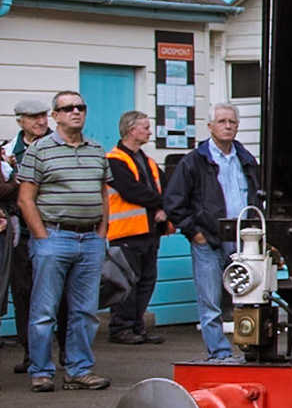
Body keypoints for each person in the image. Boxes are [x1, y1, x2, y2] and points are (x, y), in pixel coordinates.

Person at [16, 91, 111, 390]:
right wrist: (42, 238)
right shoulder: (40, 151)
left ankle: (79, 369)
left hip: (90, 238)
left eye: (80, 107)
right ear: (55, 116)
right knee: (44, 310)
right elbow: (25, 200)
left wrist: (101, 233)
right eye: (67, 108)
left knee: (85, 311)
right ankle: (41, 371)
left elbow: (102, 195)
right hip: (55, 236)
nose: (76, 112)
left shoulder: (97, 149)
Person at [164, 103, 258, 364]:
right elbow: (173, 202)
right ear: (210, 127)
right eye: (222, 122)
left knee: (248, 299)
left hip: (243, 240)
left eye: (233, 122)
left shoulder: (246, 158)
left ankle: (249, 351)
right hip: (208, 240)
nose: (228, 126)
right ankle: (219, 354)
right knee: (210, 302)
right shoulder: (194, 160)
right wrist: (195, 233)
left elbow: (257, 196)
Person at [106, 111, 169, 344]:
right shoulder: (113, 160)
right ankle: (120, 328)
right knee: (126, 282)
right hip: (126, 232)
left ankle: (137, 326)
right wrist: (162, 204)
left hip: (149, 231)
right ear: (132, 130)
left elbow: (166, 186)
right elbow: (131, 190)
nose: (149, 131)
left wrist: (166, 208)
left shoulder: (147, 160)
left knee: (145, 281)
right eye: (145, 127)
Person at [4, 98, 52, 370]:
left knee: (59, 296)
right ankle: (30, 351)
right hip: (21, 233)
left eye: (44, 116)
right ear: (21, 121)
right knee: (23, 293)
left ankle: (64, 352)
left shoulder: (58, 146)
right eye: (34, 117)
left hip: (53, 230)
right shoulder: (10, 151)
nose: (41, 122)